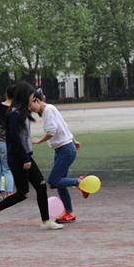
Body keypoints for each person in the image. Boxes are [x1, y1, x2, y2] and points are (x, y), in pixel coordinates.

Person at [0, 81, 62, 231]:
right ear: (25, 95)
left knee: (40, 186)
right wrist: (25, 159)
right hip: (18, 157)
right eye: (31, 95)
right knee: (22, 192)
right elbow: (13, 137)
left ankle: (46, 221)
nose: (33, 97)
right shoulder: (15, 114)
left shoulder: (22, 111)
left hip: (24, 155)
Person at [30, 90, 86, 224]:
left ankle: (80, 182)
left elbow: (52, 131)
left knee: (53, 181)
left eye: (30, 105)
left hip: (65, 150)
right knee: (61, 183)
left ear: (37, 100)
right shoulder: (49, 109)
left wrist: (38, 141)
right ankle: (69, 213)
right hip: (63, 149)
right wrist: (74, 140)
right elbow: (63, 126)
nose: (30, 109)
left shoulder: (48, 110)